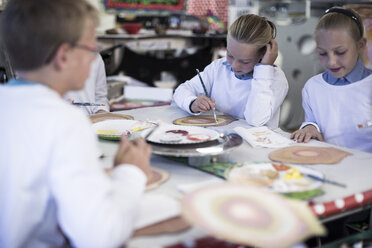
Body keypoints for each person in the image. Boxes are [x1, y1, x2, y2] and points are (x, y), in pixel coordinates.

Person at [0, 0, 152, 247]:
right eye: (91, 48)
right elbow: (100, 236)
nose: (95, 59)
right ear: (63, 56)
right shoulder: (65, 121)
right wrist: (131, 172)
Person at [173, 14, 289, 129]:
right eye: (230, 55)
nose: (234, 66)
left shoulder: (275, 79)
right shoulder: (219, 67)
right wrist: (192, 102)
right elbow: (180, 91)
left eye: (245, 62)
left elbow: (255, 120)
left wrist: (264, 69)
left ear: (263, 55)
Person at [291, 7, 372, 153]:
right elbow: (313, 121)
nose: (331, 62)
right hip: (328, 164)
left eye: (340, 52)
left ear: (360, 44)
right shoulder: (313, 87)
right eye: (322, 53)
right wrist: (309, 127)